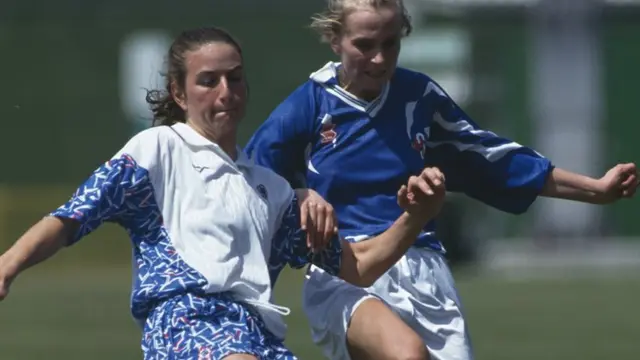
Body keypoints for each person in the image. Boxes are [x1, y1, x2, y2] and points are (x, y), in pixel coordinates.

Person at [0, 26, 448, 360]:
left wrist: (416, 216)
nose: (226, 92)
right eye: (208, 80)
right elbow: (71, 218)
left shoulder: (271, 189)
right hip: (186, 325)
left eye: (234, 78)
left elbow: (358, 266)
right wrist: (7, 265)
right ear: (178, 92)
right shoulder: (157, 150)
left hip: (260, 336)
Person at [243, 1, 640, 359]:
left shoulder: (418, 96)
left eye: (391, 43)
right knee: (407, 355)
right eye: (365, 45)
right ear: (335, 40)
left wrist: (596, 189)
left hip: (424, 270)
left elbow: (491, 157)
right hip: (345, 273)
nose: (380, 59)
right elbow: (254, 185)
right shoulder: (308, 105)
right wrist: (302, 194)